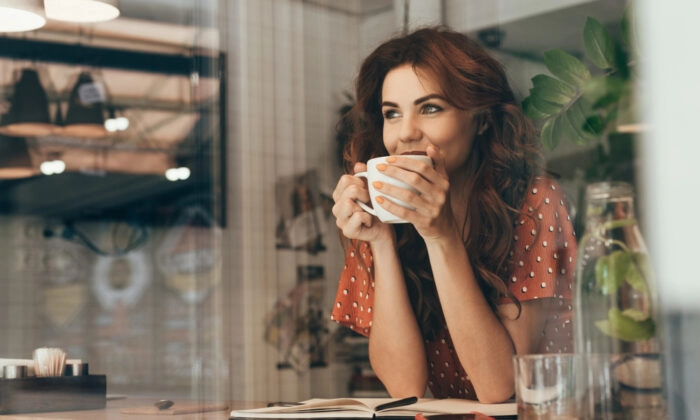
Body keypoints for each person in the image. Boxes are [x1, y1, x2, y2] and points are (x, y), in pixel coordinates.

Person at [330, 26, 577, 403]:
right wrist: (381, 243)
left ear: (480, 121)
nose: (405, 134)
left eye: (430, 108)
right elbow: (404, 388)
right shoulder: (384, 213)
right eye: (391, 114)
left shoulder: (534, 201)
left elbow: (499, 388)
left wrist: (440, 235)